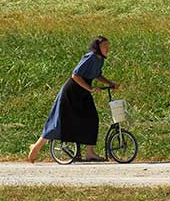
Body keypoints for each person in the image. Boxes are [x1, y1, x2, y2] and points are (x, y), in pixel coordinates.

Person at [27, 35, 117, 163]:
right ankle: (36, 147)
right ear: (97, 47)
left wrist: (110, 83)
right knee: (60, 120)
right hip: (72, 91)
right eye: (104, 46)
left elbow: (96, 75)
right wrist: (90, 89)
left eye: (108, 46)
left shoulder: (100, 59)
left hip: (83, 92)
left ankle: (89, 153)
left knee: (92, 118)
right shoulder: (90, 57)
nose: (107, 49)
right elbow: (75, 75)